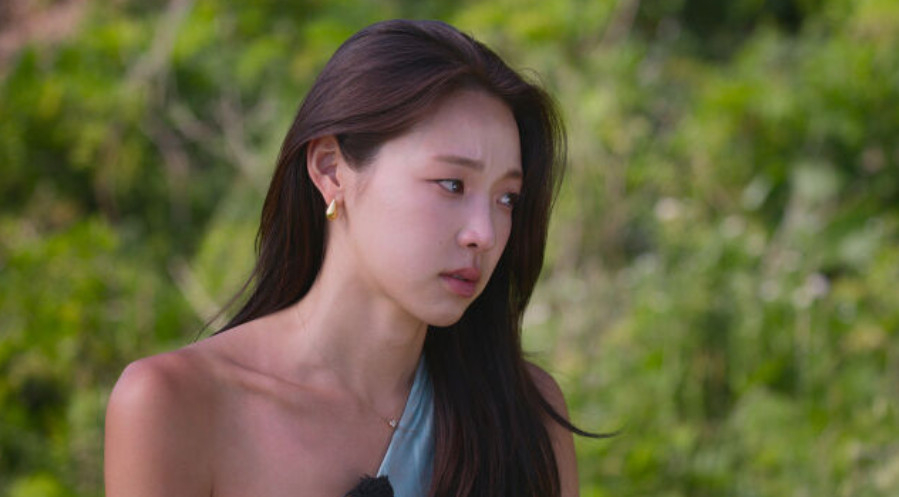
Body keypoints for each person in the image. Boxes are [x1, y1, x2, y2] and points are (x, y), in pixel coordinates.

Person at [105, 19, 590, 497]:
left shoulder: (525, 415)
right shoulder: (177, 404)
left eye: (506, 199)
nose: (484, 233)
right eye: (452, 184)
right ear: (331, 170)